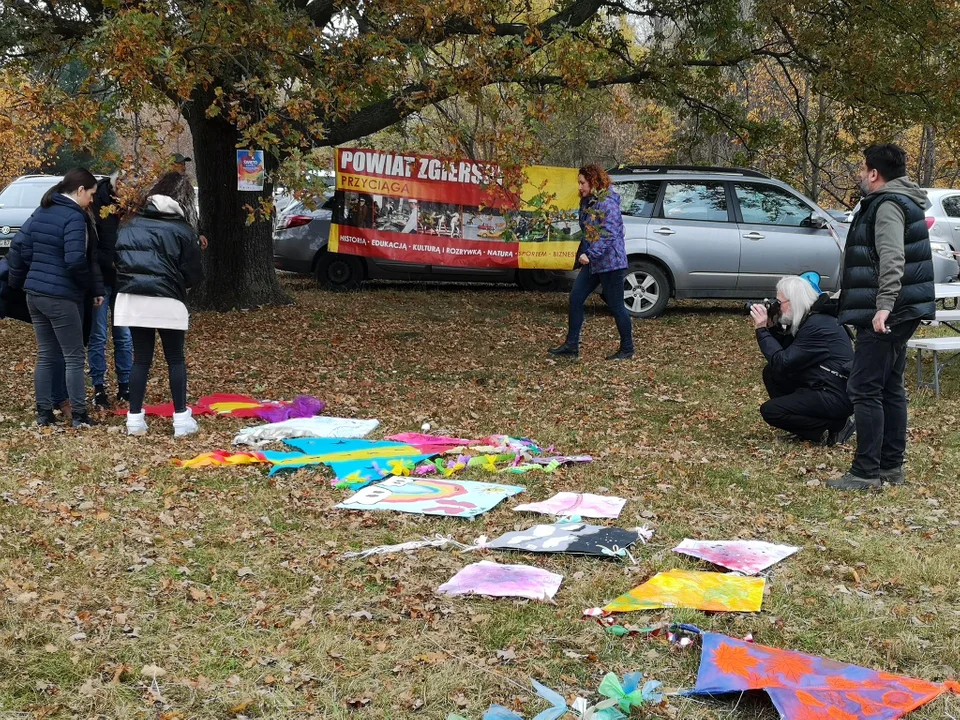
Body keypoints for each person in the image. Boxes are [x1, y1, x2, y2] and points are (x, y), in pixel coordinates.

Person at [827, 144, 935, 490]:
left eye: (863, 169)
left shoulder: (887, 205)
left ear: (874, 173)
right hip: (899, 308)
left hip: (889, 310)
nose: (861, 175)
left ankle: (865, 472)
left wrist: (884, 305)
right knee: (889, 386)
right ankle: (890, 467)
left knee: (864, 386)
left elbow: (892, 258)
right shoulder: (903, 200)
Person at [6, 168, 104, 427]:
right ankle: (80, 415)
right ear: (80, 190)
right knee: (73, 356)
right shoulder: (74, 217)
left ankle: (44, 412)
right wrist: (90, 288)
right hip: (60, 296)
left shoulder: (42, 210)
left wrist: (21, 280)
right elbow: (75, 260)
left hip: (34, 293)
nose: (92, 201)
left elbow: (21, 248)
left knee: (46, 355)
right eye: (91, 194)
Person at [115, 171, 203, 437]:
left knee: (140, 358)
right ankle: (180, 419)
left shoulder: (128, 225)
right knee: (174, 358)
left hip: (133, 299)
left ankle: (134, 419)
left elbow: (119, 262)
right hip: (168, 298)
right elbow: (195, 275)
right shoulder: (183, 230)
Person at [751, 275, 855, 445]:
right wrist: (772, 326)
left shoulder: (817, 325)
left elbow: (782, 361)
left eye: (779, 303)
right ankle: (809, 429)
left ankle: (835, 425)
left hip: (836, 395)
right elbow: (785, 358)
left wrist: (761, 330)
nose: (777, 307)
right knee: (772, 373)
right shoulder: (813, 318)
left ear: (792, 302)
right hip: (826, 384)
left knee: (771, 411)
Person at [548, 164, 634, 360]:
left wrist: (591, 254)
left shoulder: (607, 203)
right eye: (579, 182)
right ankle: (571, 346)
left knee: (616, 306)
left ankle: (627, 349)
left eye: (582, 183)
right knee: (576, 298)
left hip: (611, 263)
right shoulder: (588, 202)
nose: (579, 187)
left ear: (594, 181)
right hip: (593, 263)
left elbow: (609, 234)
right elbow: (588, 232)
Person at [88, 174, 133, 408]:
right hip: (102, 277)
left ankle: (125, 385)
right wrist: (110, 262)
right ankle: (99, 387)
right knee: (98, 335)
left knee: (123, 335)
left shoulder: (133, 206)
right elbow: (92, 246)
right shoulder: (97, 201)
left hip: (124, 279)